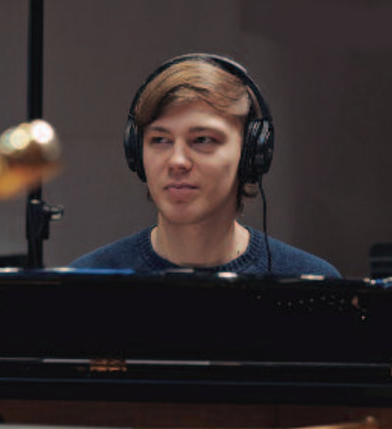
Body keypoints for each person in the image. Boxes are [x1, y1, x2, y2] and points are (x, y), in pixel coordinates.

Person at [70, 53, 340, 278]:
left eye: (202, 140)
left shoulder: (312, 283)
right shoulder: (87, 283)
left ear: (250, 153)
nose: (177, 161)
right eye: (160, 140)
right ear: (136, 153)